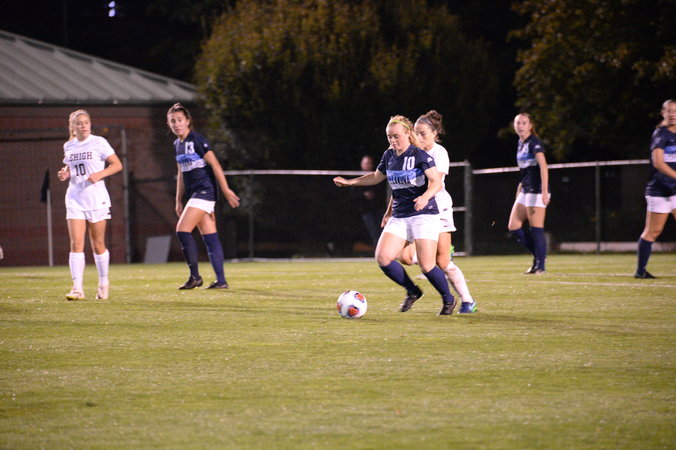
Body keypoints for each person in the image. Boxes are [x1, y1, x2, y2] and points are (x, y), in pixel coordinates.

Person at [334, 115, 457, 315]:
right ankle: (413, 291)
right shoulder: (389, 155)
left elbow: (436, 182)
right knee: (383, 257)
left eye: (396, 136)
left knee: (427, 265)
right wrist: (350, 182)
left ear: (408, 133)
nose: (393, 140)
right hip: (400, 216)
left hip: (424, 214)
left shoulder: (419, 155)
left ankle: (448, 299)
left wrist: (425, 197)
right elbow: (376, 176)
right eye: (389, 137)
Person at [389, 110, 477, 313]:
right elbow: (401, 184)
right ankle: (430, 254)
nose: (419, 137)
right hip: (415, 210)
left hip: (437, 209)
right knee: (403, 256)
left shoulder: (439, 153)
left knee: (443, 262)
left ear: (435, 134)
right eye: (416, 133)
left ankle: (467, 301)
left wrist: (421, 197)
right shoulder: (409, 152)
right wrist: (390, 210)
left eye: (423, 134)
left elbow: (434, 182)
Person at [167, 103, 241, 290]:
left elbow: (215, 164)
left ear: (188, 121)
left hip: (204, 192)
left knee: (182, 230)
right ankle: (221, 281)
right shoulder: (177, 145)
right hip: (194, 195)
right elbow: (181, 173)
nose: (176, 124)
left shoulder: (197, 140)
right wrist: (178, 200)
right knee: (210, 237)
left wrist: (225, 190)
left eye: (180, 120)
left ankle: (195, 277)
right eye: (173, 121)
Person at [57, 110, 123, 300]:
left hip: (96, 198)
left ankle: (103, 283)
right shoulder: (69, 145)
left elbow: (117, 165)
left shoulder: (99, 142)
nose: (84, 126)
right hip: (74, 198)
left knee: (98, 244)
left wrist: (100, 174)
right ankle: (77, 288)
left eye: (86, 122)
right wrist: (65, 173)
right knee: (76, 243)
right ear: (73, 127)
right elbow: (71, 168)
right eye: (79, 123)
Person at [635, 99, 676, 278]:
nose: (673, 114)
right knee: (653, 232)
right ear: (663, 113)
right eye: (669, 111)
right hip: (660, 190)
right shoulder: (660, 134)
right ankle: (640, 271)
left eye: (675, 111)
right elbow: (658, 163)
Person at [507, 112, 550, 274]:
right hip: (525, 190)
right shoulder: (520, 143)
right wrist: (520, 186)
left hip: (537, 190)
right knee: (514, 226)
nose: (520, 126)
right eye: (518, 123)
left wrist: (544, 191)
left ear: (530, 126)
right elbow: (525, 170)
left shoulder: (534, 142)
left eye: (524, 123)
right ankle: (539, 256)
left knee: (536, 228)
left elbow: (543, 166)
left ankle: (540, 265)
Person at [355, 155, 386, 246]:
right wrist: (364, 194)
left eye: (369, 163)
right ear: (361, 164)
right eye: (365, 163)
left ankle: (383, 249)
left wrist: (374, 194)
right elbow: (354, 194)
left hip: (379, 209)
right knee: (374, 232)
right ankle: (378, 249)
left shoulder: (377, 176)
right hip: (366, 210)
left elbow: (382, 192)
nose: (367, 165)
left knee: (383, 231)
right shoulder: (357, 177)